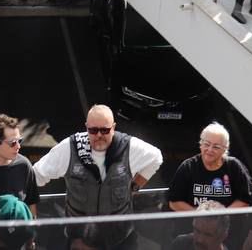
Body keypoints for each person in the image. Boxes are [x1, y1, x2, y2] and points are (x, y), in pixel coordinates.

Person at [33, 105, 161, 249]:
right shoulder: (70, 148)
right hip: (79, 240)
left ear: (113, 127)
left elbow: (156, 158)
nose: (99, 135)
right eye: (93, 130)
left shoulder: (128, 147)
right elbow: (35, 176)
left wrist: (134, 187)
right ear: (86, 127)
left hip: (120, 240)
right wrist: (30, 213)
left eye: (105, 130)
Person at [168, 121, 252, 214]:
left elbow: (245, 200)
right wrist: (200, 216)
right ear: (201, 144)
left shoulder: (234, 167)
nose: (210, 150)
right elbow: (174, 202)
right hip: (193, 225)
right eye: (207, 144)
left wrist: (222, 216)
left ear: (225, 149)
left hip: (228, 225)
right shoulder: (188, 167)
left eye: (216, 147)